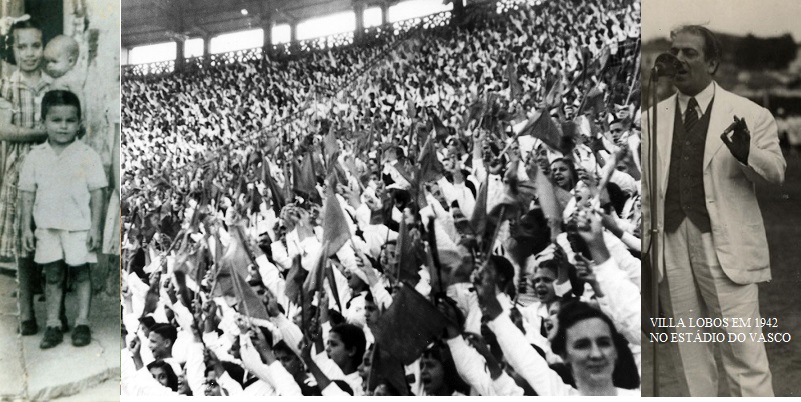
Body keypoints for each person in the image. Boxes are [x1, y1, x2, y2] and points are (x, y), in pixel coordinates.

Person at [642, 25, 785, 397]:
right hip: (670, 243)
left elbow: (776, 172)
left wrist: (745, 153)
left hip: (724, 245)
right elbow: (646, 191)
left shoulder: (750, 114)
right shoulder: (651, 119)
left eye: (689, 52)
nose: (678, 59)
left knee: (743, 353)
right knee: (688, 355)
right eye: (675, 51)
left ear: (713, 63)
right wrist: (645, 249)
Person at [18, 89, 107, 348]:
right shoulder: (35, 156)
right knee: (53, 276)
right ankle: (54, 324)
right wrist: (26, 227)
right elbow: (26, 193)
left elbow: (98, 192)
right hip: (47, 226)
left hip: (79, 227)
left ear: (79, 122)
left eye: (70, 120)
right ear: (43, 121)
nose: (63, 126)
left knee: (81, 274)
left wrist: (96, 228)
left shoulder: (87, 155)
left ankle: (82, 322)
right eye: (56, 120)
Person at [0, 18, 52, 337]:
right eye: (23, 46)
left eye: (35, 45)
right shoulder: (7, 85)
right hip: (19, 168)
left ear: (43, 47)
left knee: (49, 234)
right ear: (13, 49)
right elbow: (5, 130)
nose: (30, 53)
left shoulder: (53, 84)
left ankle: (53, 311)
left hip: (51, 166)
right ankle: (27, 312)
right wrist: (39, 133)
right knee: (24, 239)